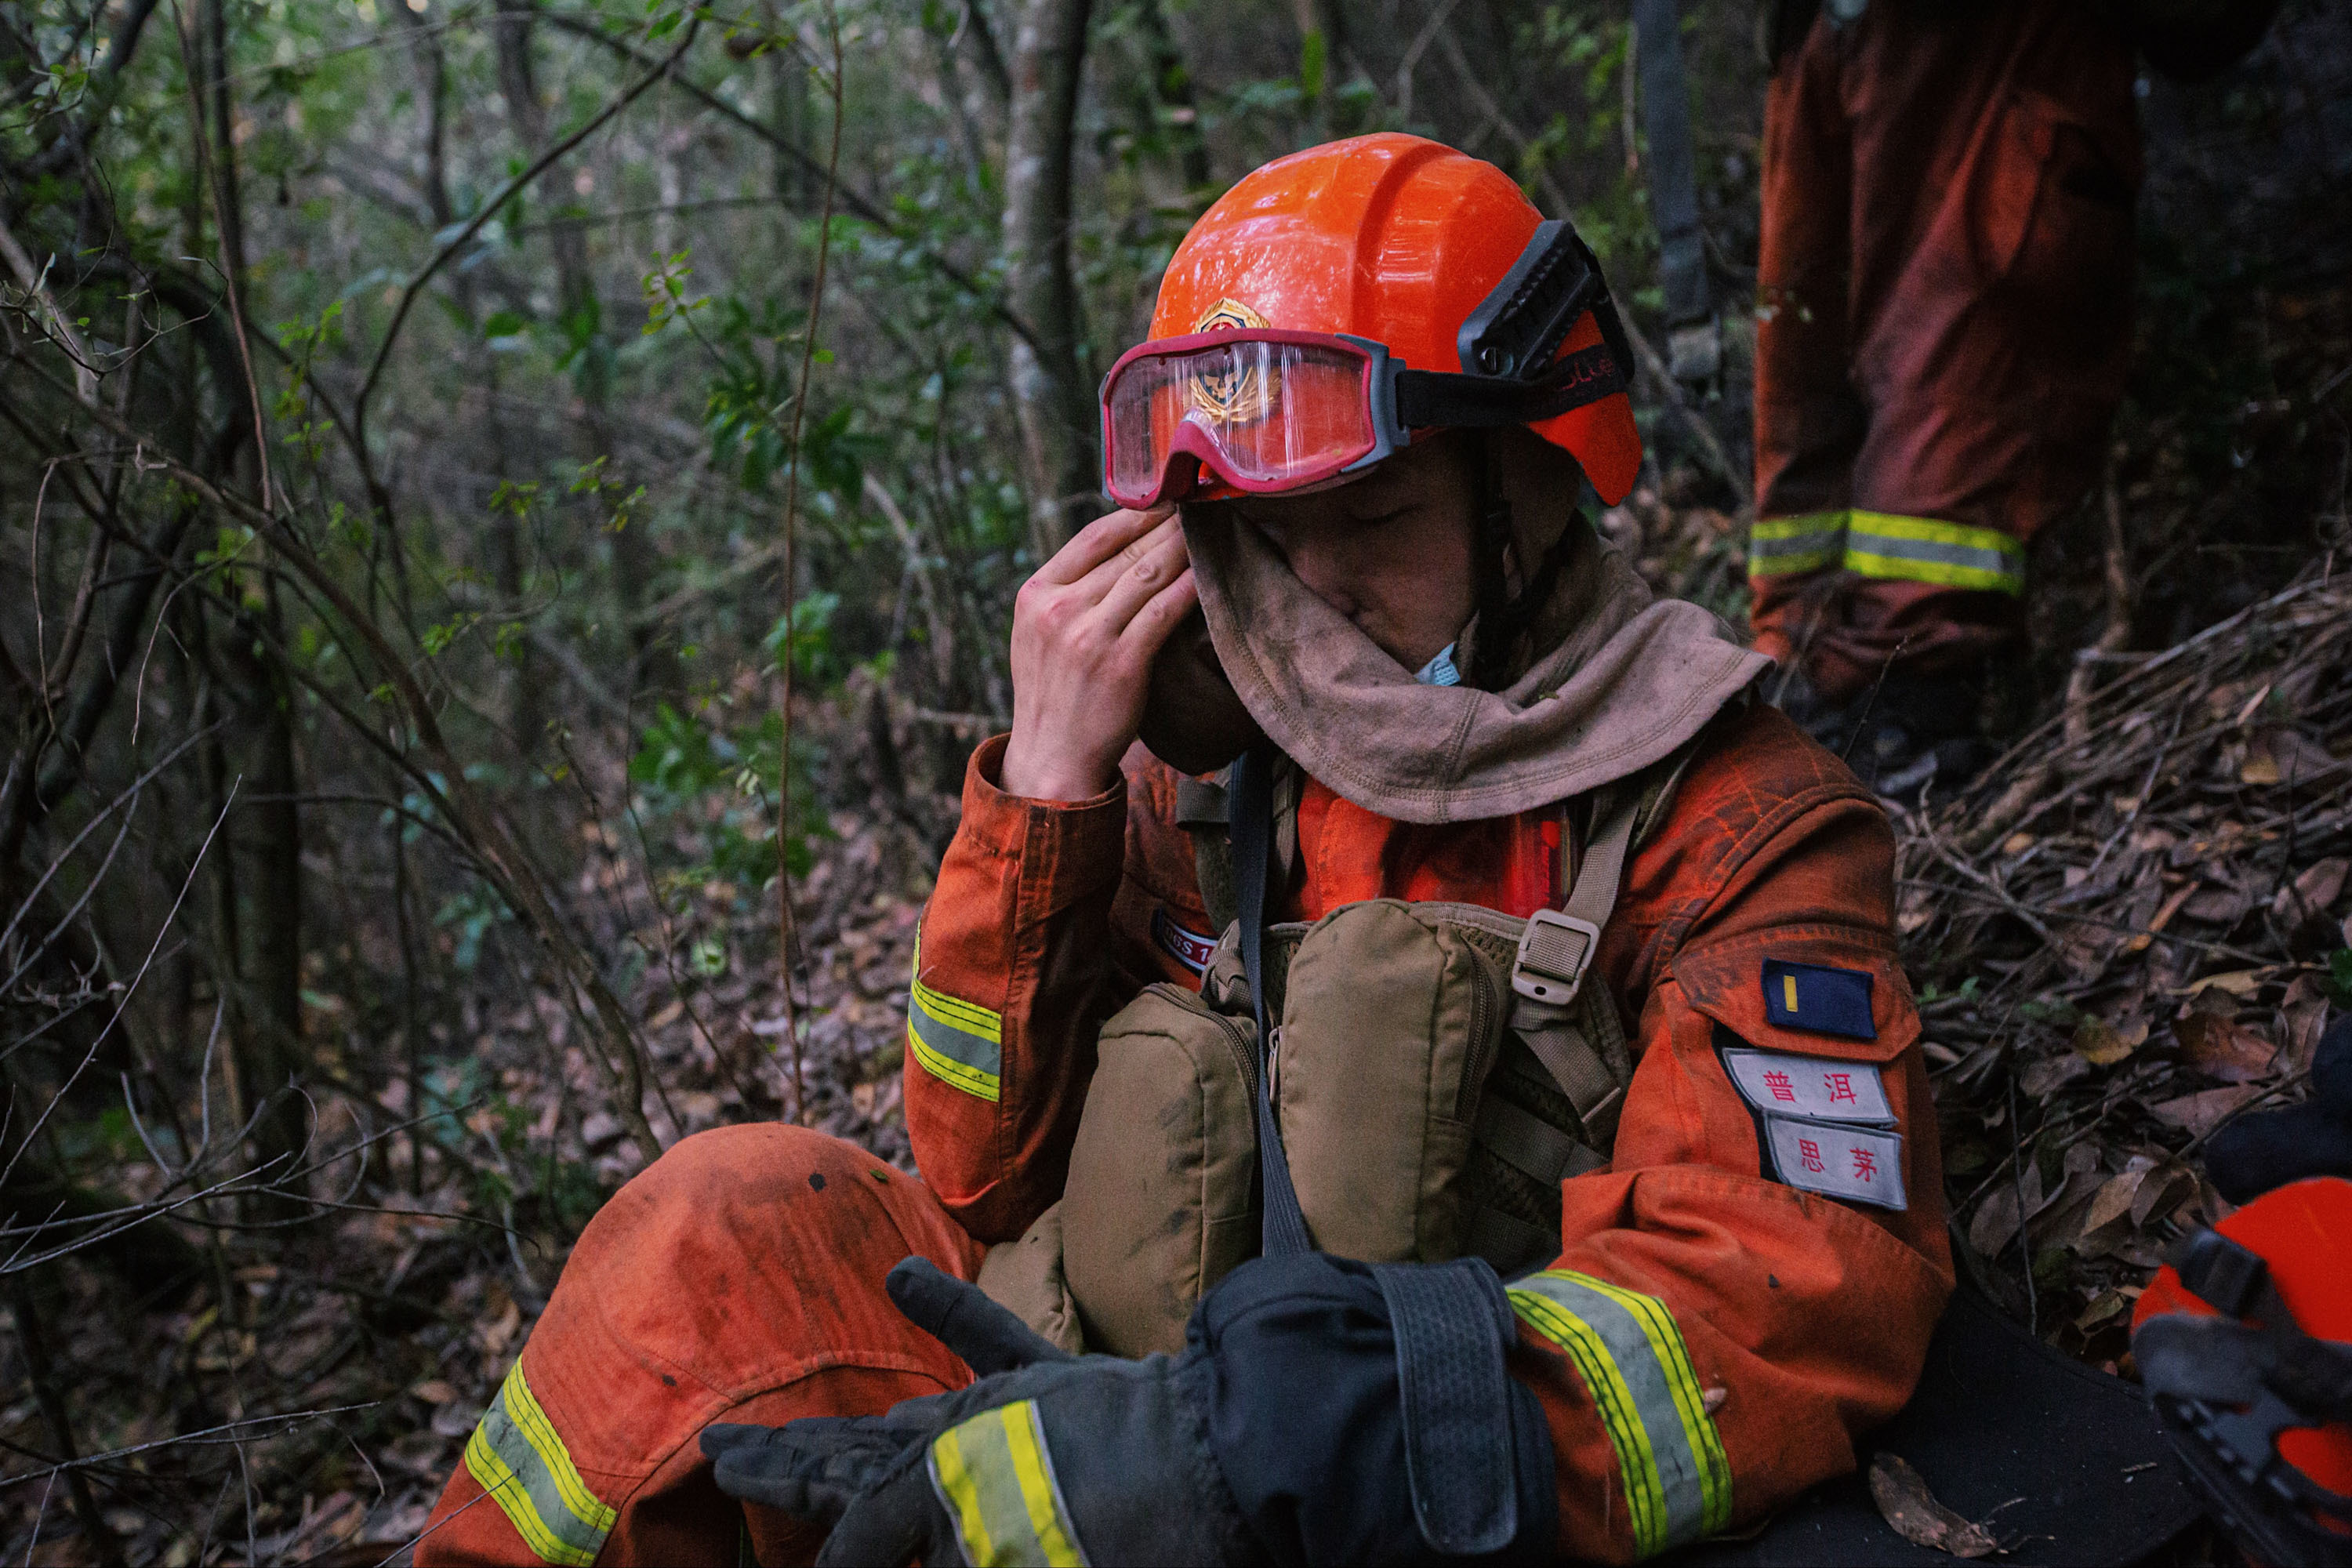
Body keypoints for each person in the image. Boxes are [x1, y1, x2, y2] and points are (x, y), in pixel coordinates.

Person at [416, 133, 1951, 1567]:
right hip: (1074, 1379)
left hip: (1378, 1496)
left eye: (1378, 514)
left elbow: (1785, 1300)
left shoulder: (1737, 819)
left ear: (1538, 475)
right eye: (1265, 533)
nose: (1315, 590)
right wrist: (1047, 789)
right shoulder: (1200, 774)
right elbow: (975, 1174)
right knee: (718, 1228)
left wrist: (1279, 1444)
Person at [1746, 0, 2273, 794]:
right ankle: (1878, 710)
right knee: (1933, 349)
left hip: (1836, 34)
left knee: (1833, 343)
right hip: (1951, 46)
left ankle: (1824, 690)